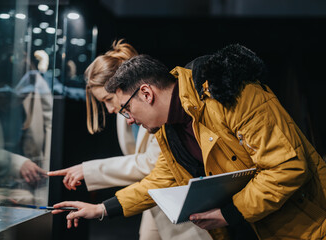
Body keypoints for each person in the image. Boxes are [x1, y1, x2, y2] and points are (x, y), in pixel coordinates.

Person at [52, 44, 326, 240]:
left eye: (125, 109)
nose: (128, 119)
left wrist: (229, 213)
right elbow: (162, 179)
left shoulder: (234, 94)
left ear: (146, 93)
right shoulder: (167, 128)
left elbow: (287, 168)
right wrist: (102, 209)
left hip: (308, 224)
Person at [48, 40, 212, 240]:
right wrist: (101, 208)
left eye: (109, 100)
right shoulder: (130, 114)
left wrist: (90, 174)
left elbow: (154, 167)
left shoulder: (165, 113)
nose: (111, 110)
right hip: (152, 199)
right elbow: (159, 175)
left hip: (182, 202)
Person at [0, 50, 52, 204]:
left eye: (21, 98)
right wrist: (17, 164)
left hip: (31, 183)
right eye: (8, 98)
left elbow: (49, 129)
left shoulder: (33, 87)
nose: (15, 104)